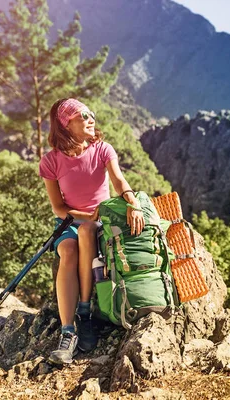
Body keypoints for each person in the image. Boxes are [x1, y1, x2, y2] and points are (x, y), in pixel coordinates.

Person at [39, 98, 145, 365]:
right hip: (69, 222)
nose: (91, 118)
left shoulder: (102, 150)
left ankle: (84, 313)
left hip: (101, 223)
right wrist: (85, 216)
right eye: (82, 115)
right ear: (66, 124)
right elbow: (58, 207)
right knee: (68, 249)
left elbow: (119, 181)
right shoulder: (51, 162)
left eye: (91, 114)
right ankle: (68, 331)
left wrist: (133, 204)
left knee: (87, 232)